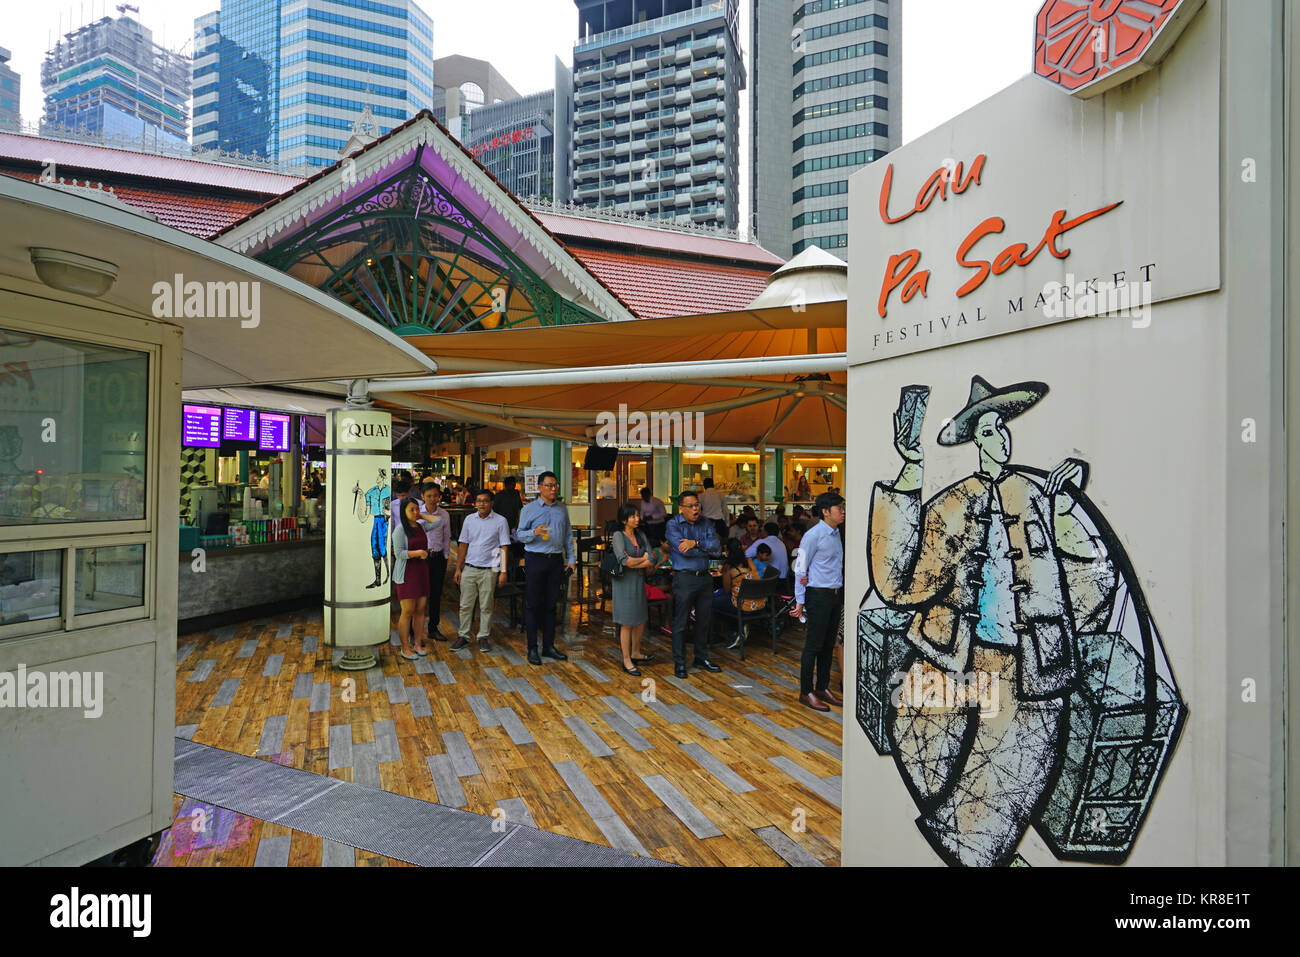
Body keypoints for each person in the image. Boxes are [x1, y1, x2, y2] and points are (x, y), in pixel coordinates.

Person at [868, 376, 1118, 867]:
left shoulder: (1038, 495)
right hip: (951, 654)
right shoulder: (953, 502)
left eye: (1002, 427)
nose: (1000, 438)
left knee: (1008, 782)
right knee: (926, 750)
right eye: (988, 431)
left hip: (1031, 666)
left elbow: (1090, 583)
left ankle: (979, 857)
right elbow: (898, 584)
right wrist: (911, 468)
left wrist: (1065, 511)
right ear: (974, 442)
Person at [791, 491, 845, 712]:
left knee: (827, 645)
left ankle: (822, 687)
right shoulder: (812, 536)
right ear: (825, 511)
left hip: (834, 594)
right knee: (813, 646)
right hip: (818, 595)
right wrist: (800, 602)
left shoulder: (836, 533)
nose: (843, 512)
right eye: (839, 508)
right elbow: (800, 569)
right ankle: (806, 691)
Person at [515, 470, 576, 665]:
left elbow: (567, 535)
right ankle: (532, 648)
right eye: (549, 485)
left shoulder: (562, 508)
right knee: (533, 604)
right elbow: (519, 535)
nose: (553, 488)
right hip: (535, 559)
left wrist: (572, 559)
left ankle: (548, 647)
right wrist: (534, 531)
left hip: (555, 560)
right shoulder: (529, 509)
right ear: (539, 488)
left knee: (551, 605)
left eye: (555, 485)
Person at [665, 490, 723, 678]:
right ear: (681, 508)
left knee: (704, 620)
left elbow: (716, 549)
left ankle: (701, 657)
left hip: (705, 577)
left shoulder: (705, 523)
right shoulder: (673, 525)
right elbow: (684, 552)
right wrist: (701, 548)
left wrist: (696, 543)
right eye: (690, 506)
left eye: (697, 505)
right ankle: (680, 663)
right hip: (684, 578)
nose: (695, 509)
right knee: (681, 622)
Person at [452, 490, 510, 652]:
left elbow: (503, 546)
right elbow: (463, 544)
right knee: (465, 605)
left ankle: (483, 636)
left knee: (486, 606)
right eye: (478, 501)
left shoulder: (500, 521)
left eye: (485, 501)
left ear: (492, 503)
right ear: (475, 503)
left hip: (489, 570)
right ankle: (463, 636)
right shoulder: (469, 520)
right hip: (469, 568)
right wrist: (458, 568)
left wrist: (503, 571)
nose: (481, 504)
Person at [611, 503, 655, 675]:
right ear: (624, 520)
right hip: (623, 583)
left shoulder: (641, 535)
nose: (637, 519)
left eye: (638, 516)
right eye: (633, 516)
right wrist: (641, 561)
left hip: (637, 580)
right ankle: (626, 659)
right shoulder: (618, 536)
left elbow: (651, 557)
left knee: (640, 619)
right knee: (627, 622)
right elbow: (623, 561)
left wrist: (636, 562)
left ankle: (636, 652)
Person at [391, 498, 431, 660]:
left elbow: (439, 521)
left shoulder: (421, 526)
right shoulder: (400, 530)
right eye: (411, 510)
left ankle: (417, 644)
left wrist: (423, 515)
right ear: (403, 512)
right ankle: (405, 647)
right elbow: (398, 553)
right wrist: (418, 553)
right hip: (406, 572)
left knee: (421, 609)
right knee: (407, 611)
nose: (415, 513)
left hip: (421, 570)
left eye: (417, 509)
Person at [418, 482, 450, 641]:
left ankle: (433, 628)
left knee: (436, 595)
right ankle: (414, 631)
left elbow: (446, 537)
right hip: (419, 559)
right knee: (418, 595)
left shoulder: (444, 515)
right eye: (428, 496)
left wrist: (445, 557)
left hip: (437, 558)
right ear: (422, 496)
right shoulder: (416, 513)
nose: (432, 499)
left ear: (439, 497)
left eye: (435, 496)